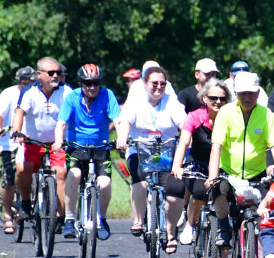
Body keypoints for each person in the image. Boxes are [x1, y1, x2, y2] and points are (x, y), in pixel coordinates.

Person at [206, 71, 274, 258]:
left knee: (268, 205)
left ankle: (259, 252)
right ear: (236, 94)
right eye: (242, 93)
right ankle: (224, 227)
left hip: (256, 172)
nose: (247, 97)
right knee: (218, 189)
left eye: (251, 93)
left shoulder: (265, 114)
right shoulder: (226, 113)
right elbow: (217, 147)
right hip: (229, 170)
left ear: (258, 93)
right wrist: (213, 175)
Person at [115, 65, 188, 248]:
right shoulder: (135, 101)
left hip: (166, 151)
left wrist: (188, 137)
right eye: (154, 83)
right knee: (141, 181)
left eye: (162, 84)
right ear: (145, 84)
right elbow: (125, 122)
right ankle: (139, 219)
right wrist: (123, 138)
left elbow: (183, 123)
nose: (159, 87)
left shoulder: (172, 102)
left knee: (174, 193)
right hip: (140, 149)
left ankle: (171, 234)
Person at [53, 63, 121, 241]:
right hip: (77, 147)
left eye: (96, 83)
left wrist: (121, 139)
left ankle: (102, 219)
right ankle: (69, 218)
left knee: (104, 184)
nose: (92, 87)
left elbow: (118, 120)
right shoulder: (72, 97)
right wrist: (59, 140)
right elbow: (61, 123)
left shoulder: (108, 95)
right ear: (80, 83)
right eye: (88, 83)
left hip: (101, 148)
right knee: (74, 174)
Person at [12, 56, 71, 227]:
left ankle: (60, 217)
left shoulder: (66, 91)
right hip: (33, 141)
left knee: (61, 173)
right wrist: (17, 131)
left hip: (57, 143)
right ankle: (24, 202)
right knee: (24, 169)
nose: (55, 76)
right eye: (51, 73)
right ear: (39, 74)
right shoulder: (29, 92)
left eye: (58, 73)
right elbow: (19, 112)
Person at [172, 78, 230, 245]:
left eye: (222, 99)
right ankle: (190, 223)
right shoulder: (195, 117)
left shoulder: (231, 118)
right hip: (198, 164)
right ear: (204, 98)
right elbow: (183, 142)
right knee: (199, 192)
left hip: (222, 166)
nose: (218, 102)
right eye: (213, 98)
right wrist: (177, 165)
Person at [0, 66, 38, 234]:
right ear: (24, 83)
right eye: (32, 82)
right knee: (9, 178)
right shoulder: (9, 93)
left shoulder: (37, 94)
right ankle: (8, 215)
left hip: (31, 140)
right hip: (10, 143)